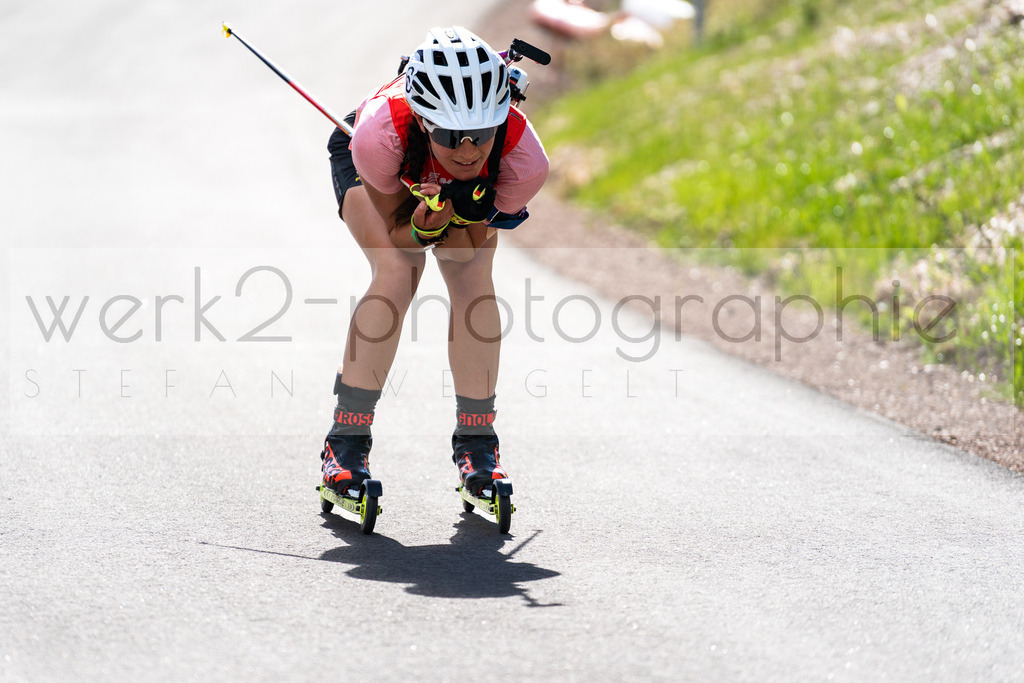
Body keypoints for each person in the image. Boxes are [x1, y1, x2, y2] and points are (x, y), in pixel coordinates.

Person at [320, 26, 549, 498]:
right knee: (398, 271)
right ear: (426, 121)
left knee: (471, 276)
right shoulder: (378, 138)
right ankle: (345, 444)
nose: (468, 150)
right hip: (383, 163)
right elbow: (404, 240)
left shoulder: (523, 160)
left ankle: (479, 446)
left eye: (481, 134)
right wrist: (426, 226)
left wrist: (461, 211)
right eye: (452, 135)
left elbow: (465, 249)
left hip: (447, 187)